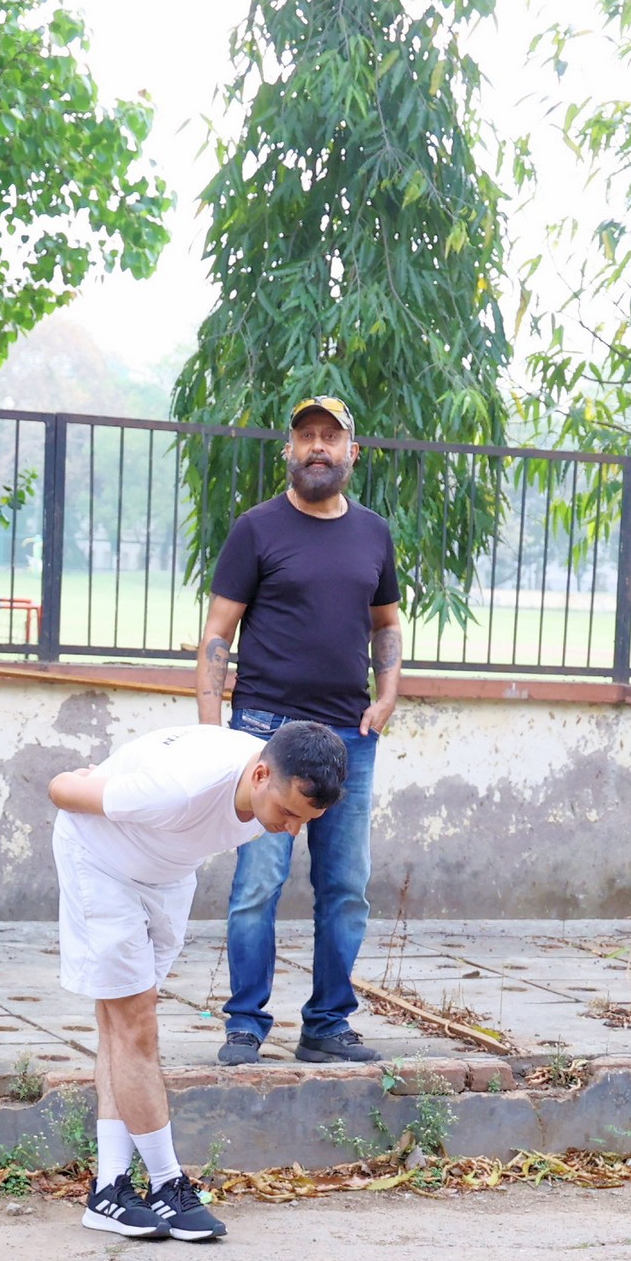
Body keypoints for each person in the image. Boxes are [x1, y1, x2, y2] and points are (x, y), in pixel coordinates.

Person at [47, 719, 353, 1241]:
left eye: (306, 821)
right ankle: (167, 1185)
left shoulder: (270, 782)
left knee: (120, 1026)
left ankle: (109, 1190)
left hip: (167, 875)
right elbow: (61, 790)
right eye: (287, 813)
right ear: (261, 775)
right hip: (100, 863)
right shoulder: (179, 789)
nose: (291, 830)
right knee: (135, 1023)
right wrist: (86, 779)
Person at [196, 395, 401, 1068]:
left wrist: (388, 694)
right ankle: (245, 1025)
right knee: (257, 884)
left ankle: (327, 1026)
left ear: (352, 452)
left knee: (346, 889)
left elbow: (386, 622)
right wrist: (211, 734)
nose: (318, 446)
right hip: (265, 731)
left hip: (349, 735)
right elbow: (218, 632)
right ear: (288, 449)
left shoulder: (374, 533)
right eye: (306, 435)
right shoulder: (255, 529)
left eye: (330, 437)